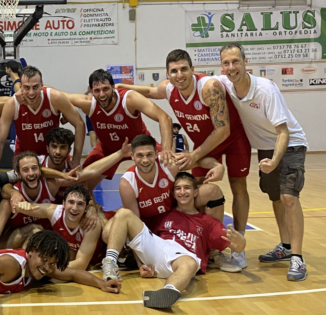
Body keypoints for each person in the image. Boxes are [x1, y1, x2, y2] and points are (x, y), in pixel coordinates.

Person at [118, 49, 252, 269]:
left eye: (183, 69)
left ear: (192, 69)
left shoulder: (210, 88)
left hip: (231, 138)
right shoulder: (169, 88)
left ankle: (238, 246)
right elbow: (150, 91)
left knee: (238, 187)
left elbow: (223, 130)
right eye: (174, 71)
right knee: (196, 192)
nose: (179, 75)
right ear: (167, 74)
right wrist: (123, 87)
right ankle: (202, 242)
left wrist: (195, 155)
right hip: (204, 146)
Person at [219, 43, 308, 281]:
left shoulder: (266, 89)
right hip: (266, 147)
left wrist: (274, 161)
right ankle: (286, 247)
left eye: (236, 61)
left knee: (289, 197)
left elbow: (283, 132)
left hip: (289, 143)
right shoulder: (224, 84)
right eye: (226, 63)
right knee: (276, 197)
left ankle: (298, 259)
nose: (231, 67)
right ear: (222, 67)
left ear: (246, 63)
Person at [100, 172, 246, 308]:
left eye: (187, 188)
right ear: (173, 193)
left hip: (182, 257)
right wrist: (140, 264)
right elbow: (137, 237)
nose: (182, 192)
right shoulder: (163, 215)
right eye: (178, 189)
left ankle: (167, 293)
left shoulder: (208, 222)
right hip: (158, 247)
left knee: (189, 263)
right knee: (124, 213)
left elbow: (237, 247)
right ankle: (110, 263)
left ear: (195, 192)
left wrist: (241, 242)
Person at [0, 141, 131, 252]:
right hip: (13, 240)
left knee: (94, 212)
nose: (31, 173)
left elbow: (90, 172)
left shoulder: (50, 185)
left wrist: (120, 154)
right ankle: (26, 267)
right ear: (18, 173)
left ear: (41, 170)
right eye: (25, 170)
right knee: (36, 230)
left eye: (34, 169)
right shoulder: (11, 199)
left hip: (45, 239)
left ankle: (116, 249)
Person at [60, 69, 174, 191]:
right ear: (91, 91)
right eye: (97, 91)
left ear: (113, 87)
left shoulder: (130, 99)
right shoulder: (88, 103)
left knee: (173, 166)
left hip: (139, 145)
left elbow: (164, 118)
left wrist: (166, 149)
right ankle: (92, 207)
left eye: (106, 89)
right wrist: (68, 111)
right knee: (80, 183)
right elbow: (52, 94)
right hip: (108, 148)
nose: (102, 94)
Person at [120, 134, 226, 231]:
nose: (145, 160)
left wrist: (217, 166)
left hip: (174, 212)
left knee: (212, 191)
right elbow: (134, 223)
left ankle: (213, 248)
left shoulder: (168, 165)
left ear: (157, 154)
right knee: (110, 230)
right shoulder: (128, 182)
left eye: (149, 154)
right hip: (147, 224)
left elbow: (198, 160)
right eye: (140, 155)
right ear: (132, 156)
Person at [0, 66, 86, 170]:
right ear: (21, 87)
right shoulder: (12, 104)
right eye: (27, 87)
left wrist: (76, 160)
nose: (31, 93)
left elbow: (79, 124)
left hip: (54, 155)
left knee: (70, 183)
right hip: (25, 155)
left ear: (42, 85)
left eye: (35, 87)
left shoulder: (55, 98)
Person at [13, 184, 113, 270]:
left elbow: (81, 264)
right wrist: (20, 205)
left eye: (80, 204)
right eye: (71, 202)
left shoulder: (90, 223)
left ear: (86, 208)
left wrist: (46, 267)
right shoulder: (54, 212)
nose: (74, 208)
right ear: (63, 203)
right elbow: (27, 207)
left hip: (100, 253)